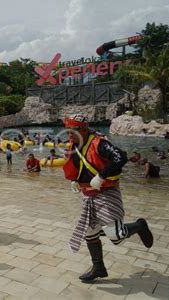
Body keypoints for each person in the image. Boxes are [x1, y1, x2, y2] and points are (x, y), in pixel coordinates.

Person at [62, 114, 153, 283]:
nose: (69, 135)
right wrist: (75, 180)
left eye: (72, 131)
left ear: (82, 129)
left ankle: (140, 225)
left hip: (106, 193)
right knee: (90, 232)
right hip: (88, 195)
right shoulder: (74, 146)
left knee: (116, 236)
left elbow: (120, 157)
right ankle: (98, 267)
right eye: (67, 131)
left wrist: (102, 176)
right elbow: (78, 166)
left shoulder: (99, 143)